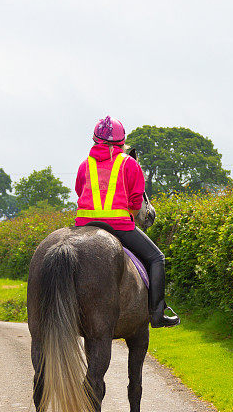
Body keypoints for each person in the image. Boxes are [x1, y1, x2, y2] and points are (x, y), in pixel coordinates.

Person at [75, 116, 180, 328]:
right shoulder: (129, 163)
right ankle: (158, 315)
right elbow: (135, 201)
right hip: (119, 226)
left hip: (84, 226)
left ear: (95, 141)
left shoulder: (85, 164)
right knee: (157, 258)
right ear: (121, 142)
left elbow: (79, 191)